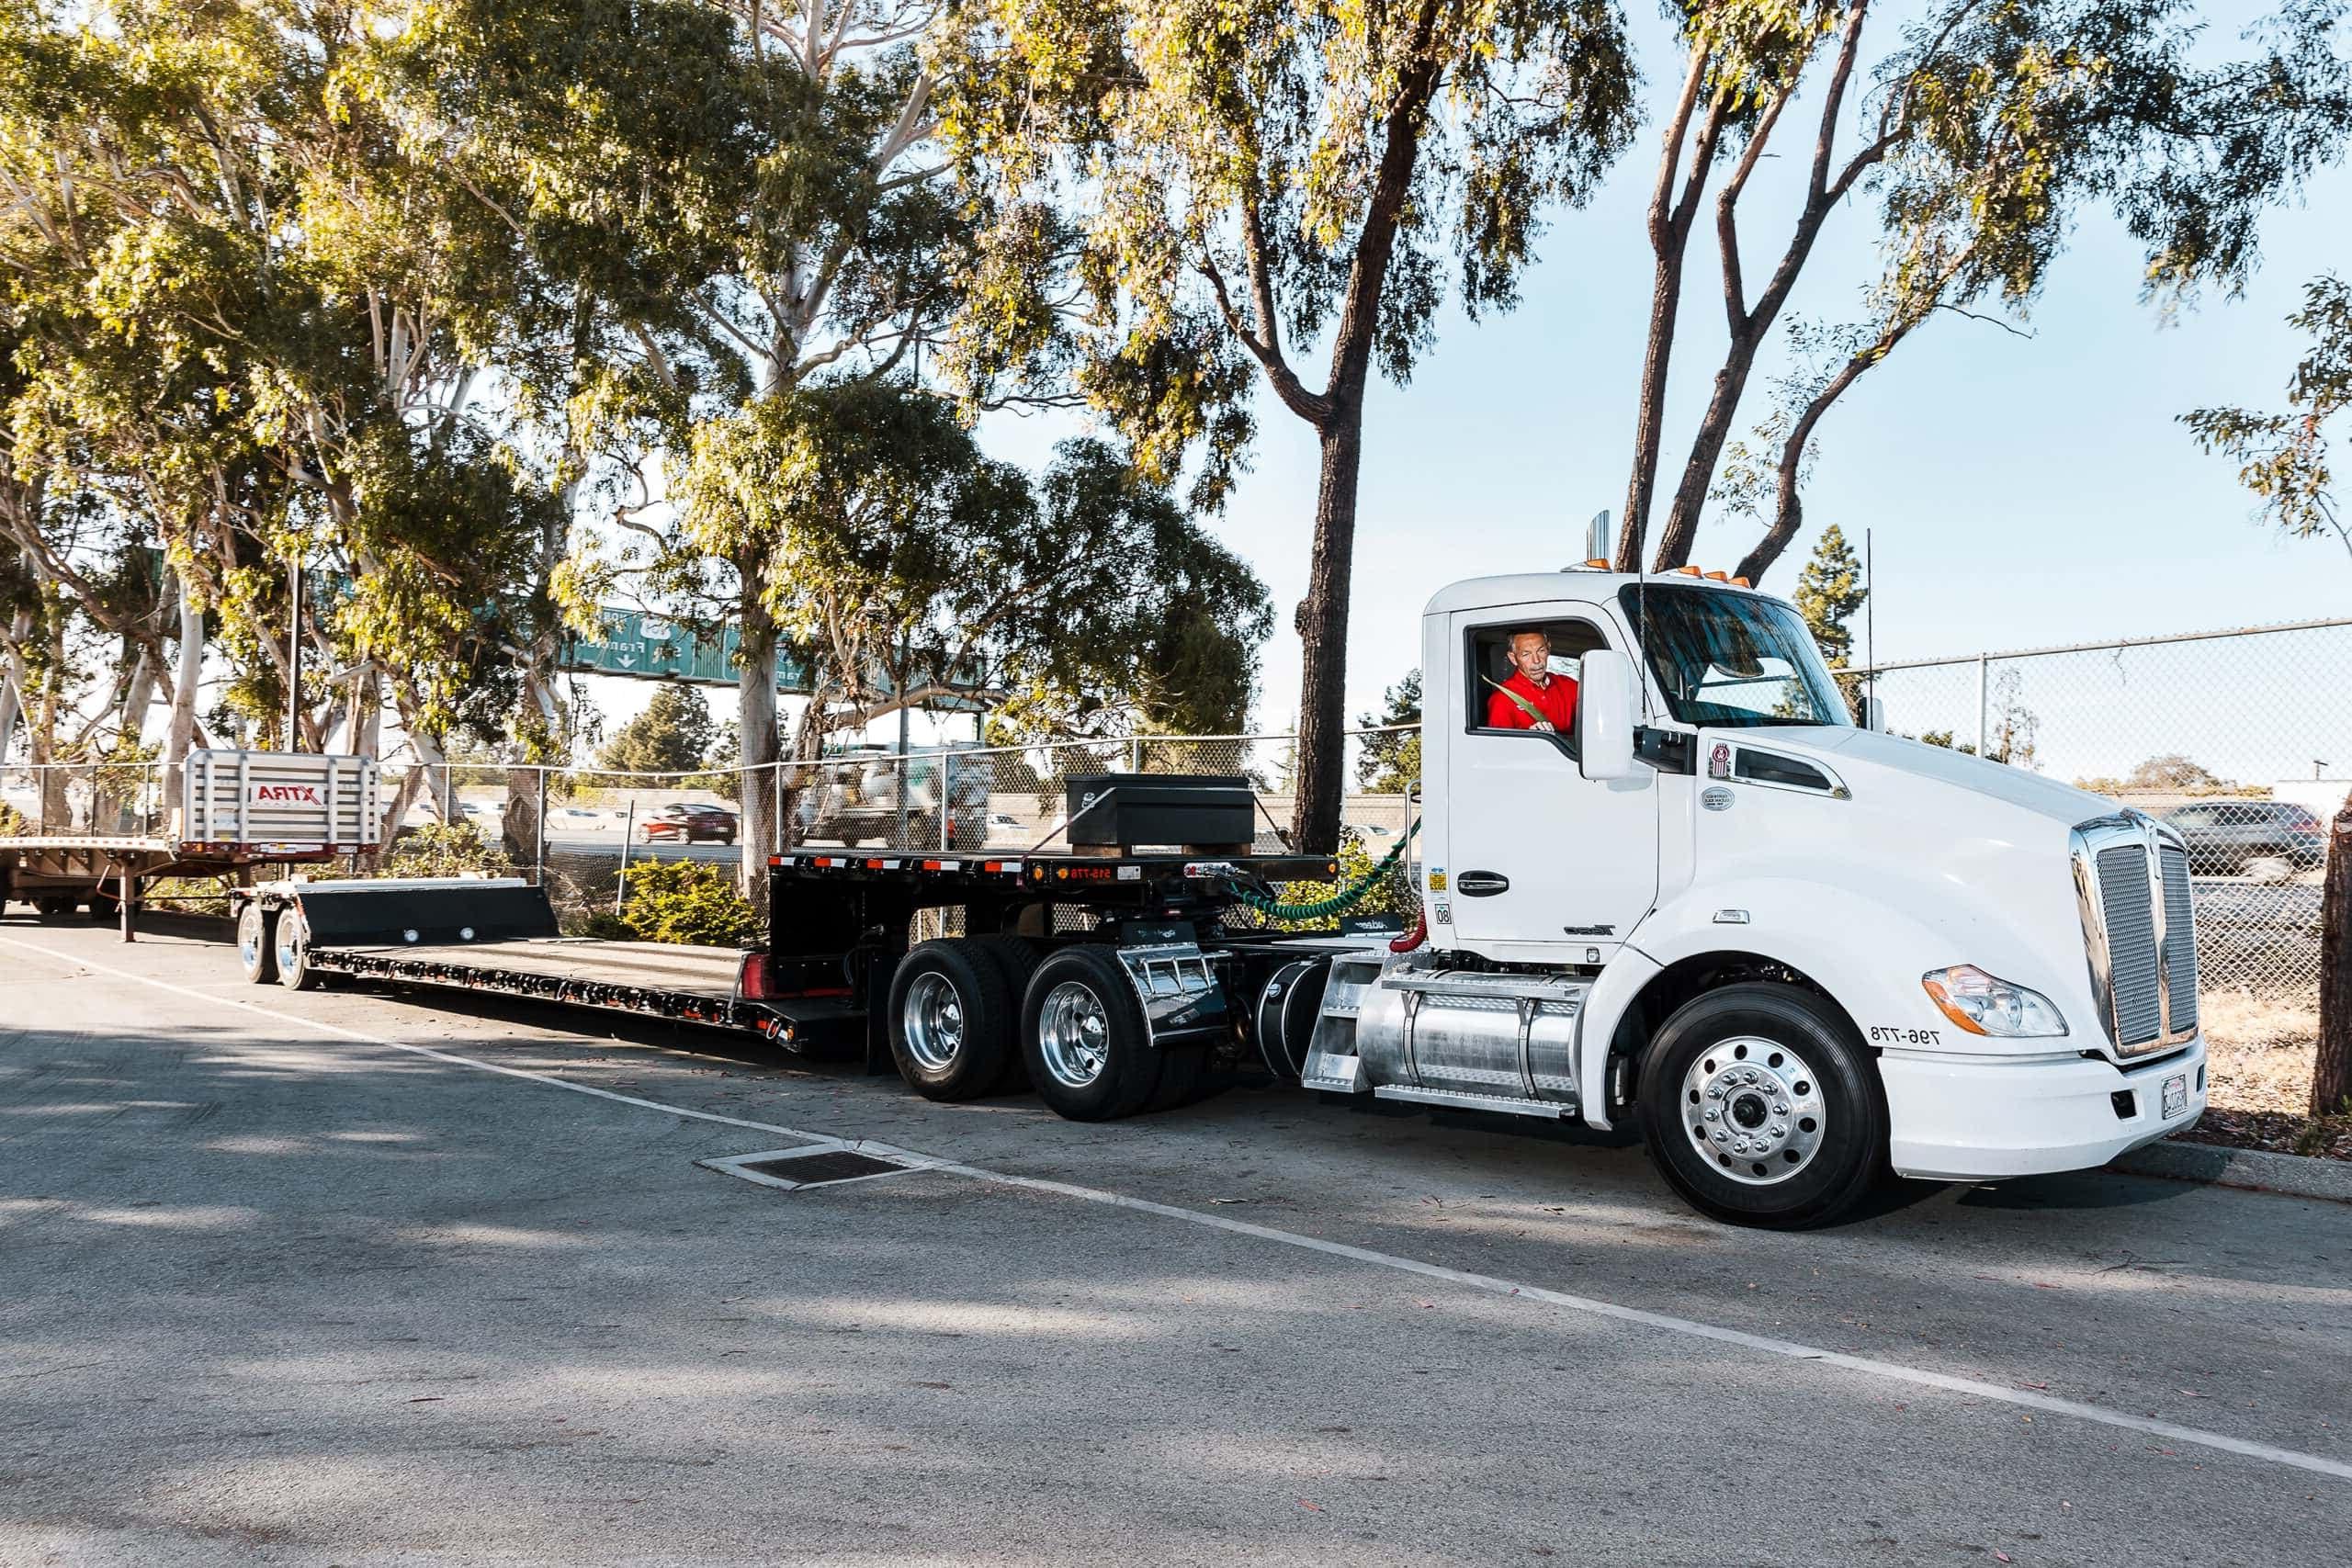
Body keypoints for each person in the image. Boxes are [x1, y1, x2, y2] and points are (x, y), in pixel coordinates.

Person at [1486, 629, 1577, 733]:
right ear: (1513, 658)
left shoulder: (1568, 685)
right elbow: (1499, 746)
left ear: (1548, 649)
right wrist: (1529, 740)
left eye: (1541, 651)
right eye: (1526, 654)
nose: (1536, 661)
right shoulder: (1502, 699)